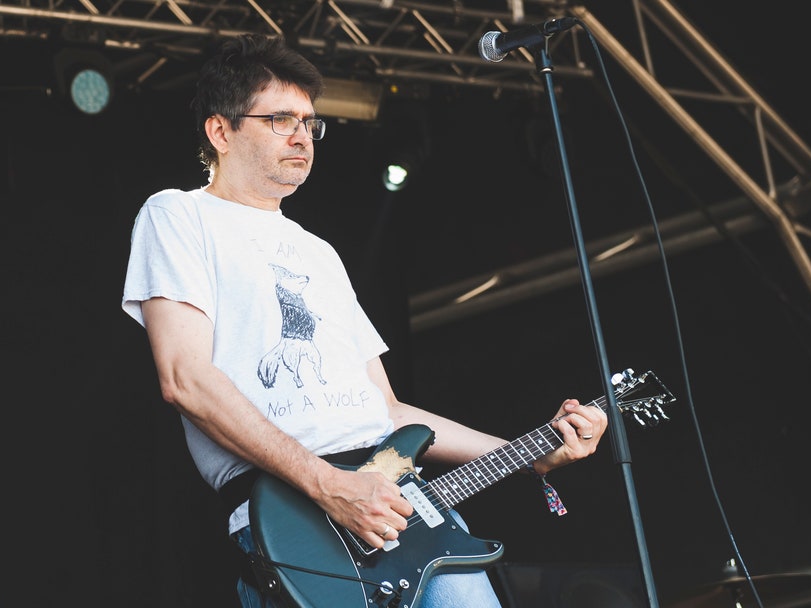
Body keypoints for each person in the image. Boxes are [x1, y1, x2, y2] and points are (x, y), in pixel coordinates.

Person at [121, 33, 607, 608]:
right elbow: (185, 378)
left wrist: (531, 451)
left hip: (402, 505)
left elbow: (390, 413)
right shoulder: (179, 214)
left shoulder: (320, 254)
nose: (302, 135)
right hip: (293, 515)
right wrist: (329, 485)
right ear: (220, 131)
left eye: (309, 122)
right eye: (280, 119)